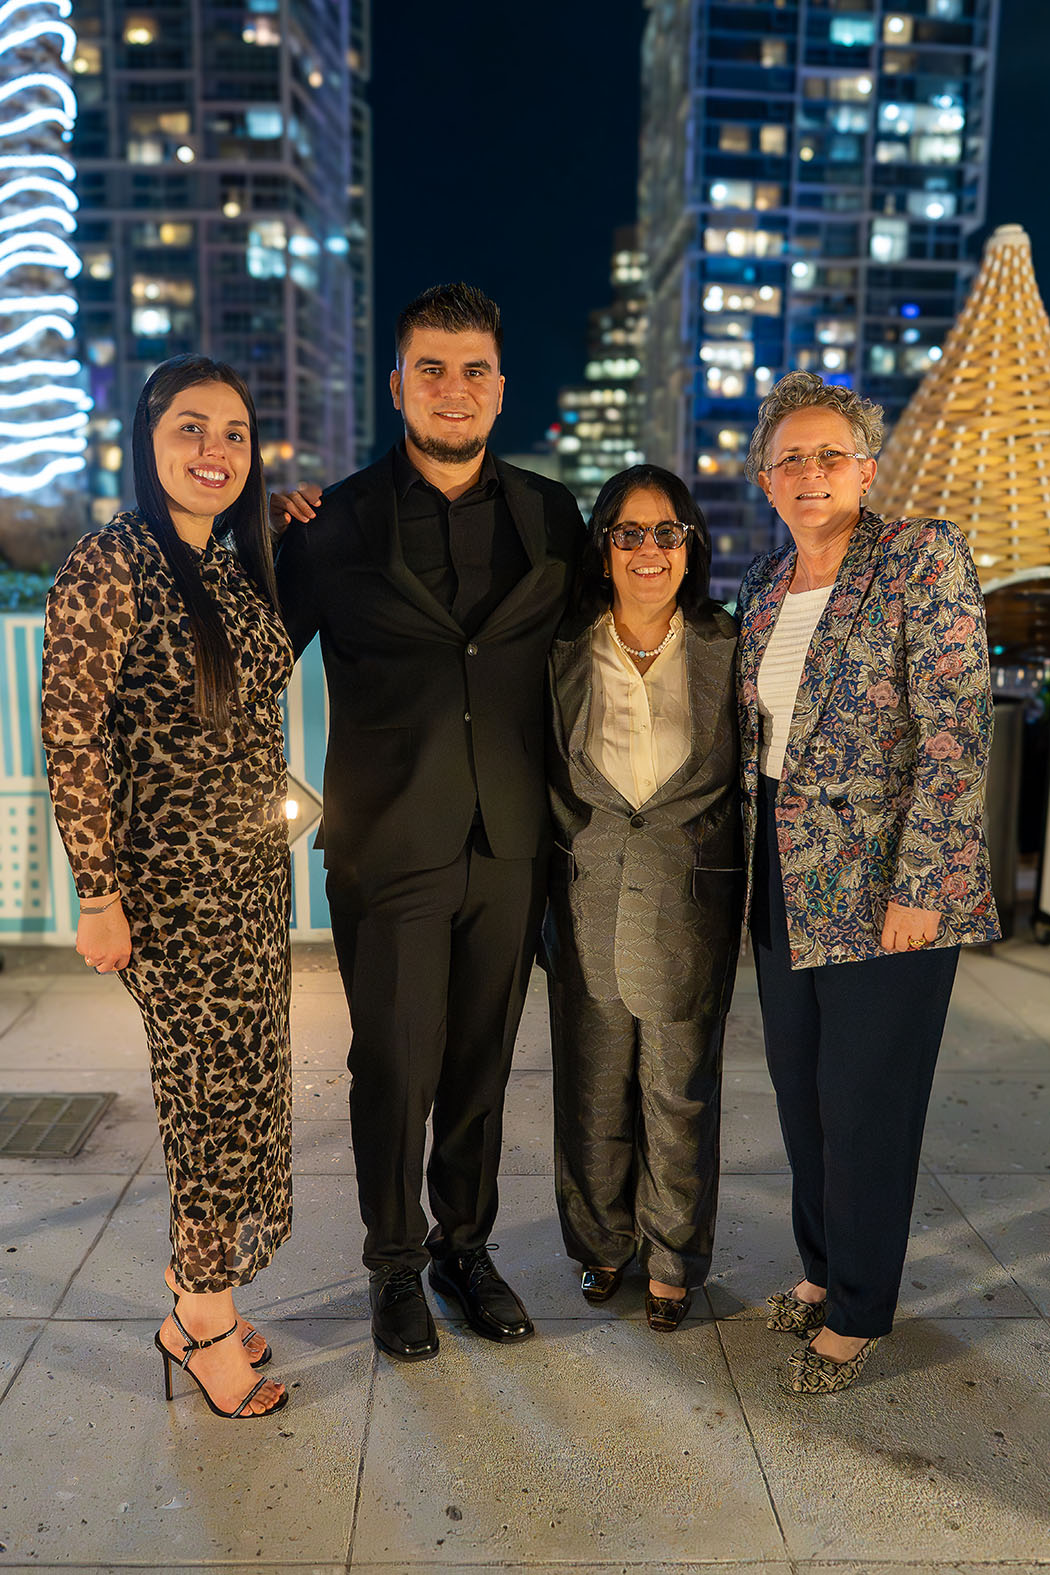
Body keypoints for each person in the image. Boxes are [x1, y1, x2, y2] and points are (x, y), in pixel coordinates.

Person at [272, 283, 584, 1362]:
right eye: (433, 369)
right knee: (395, 1065)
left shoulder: (552, 515)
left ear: (501, 388)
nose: (455, 388)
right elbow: (249, 660)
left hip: (511, 839)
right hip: (387, 840)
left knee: (482, 1064)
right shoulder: (331, 521)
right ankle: (394, 1264)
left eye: (474, 370)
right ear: (398, 383)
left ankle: (465, 1248)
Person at [736, 370, 999, 1393]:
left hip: (889, 884)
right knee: (801, 1092)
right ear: (765, 478)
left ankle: (859, 1309)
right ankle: (820, 1270)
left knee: (866, 1103)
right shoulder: (765, 582)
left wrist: (923, 883)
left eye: (830, 454)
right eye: (791, 458)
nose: (811, 472)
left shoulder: (918, 558)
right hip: (781, 879)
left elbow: (955, 730)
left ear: (867, 469)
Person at [41, 354, 292, 1420]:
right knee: (209, 1106)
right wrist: (99, 895)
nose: (214, 451)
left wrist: (291, 522)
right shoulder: (112, 562)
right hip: (173, 894)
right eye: (191, 428)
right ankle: (201, 1318)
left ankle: (201, 1297)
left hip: (250, 883)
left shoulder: (219, 561)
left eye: (234, 433)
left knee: (250, 1088)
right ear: (149, 442)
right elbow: (70, 736)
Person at [542, 465, 742, 1330]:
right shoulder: (563, 648)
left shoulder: (727, 643)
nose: (649, 550)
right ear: (604, 549)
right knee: (590, 1090)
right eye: (629, 533)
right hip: (585, 896)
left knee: (679, 1093)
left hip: (690, 902)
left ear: (690, 548)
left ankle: (674, 1259)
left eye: (667, 533)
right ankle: (600, 1243)